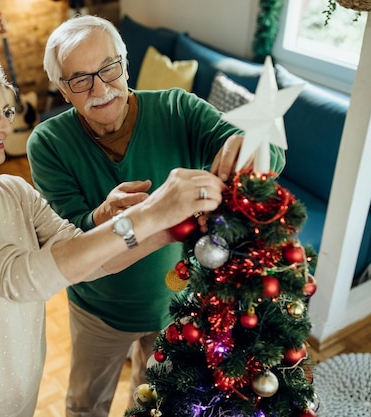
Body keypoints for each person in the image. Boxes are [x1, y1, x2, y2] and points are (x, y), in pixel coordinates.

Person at [0, 54, 227, 417]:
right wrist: (150, 213)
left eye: (6, 112)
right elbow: (24, 278)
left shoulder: (15, 192)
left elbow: (88, 258)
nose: (4, 125)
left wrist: (164, 232)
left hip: (20, 401)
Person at [26, 15, 286, 417]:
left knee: (152, 402)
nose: (101, 88)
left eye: (109, 68)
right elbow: (65, 243)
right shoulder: (47, 143)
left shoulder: (178, 109)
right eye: (80, 79)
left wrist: (247, 147)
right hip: (98, 311)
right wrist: (100, 215)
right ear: (63, 88)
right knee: (85, 404)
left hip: (174, 307)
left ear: (125, 63)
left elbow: (269, 155)